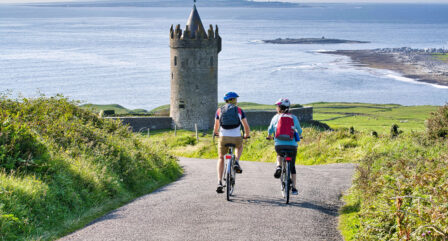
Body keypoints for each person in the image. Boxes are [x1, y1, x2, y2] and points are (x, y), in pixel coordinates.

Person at [214, 92, 250, 194]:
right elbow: (246, 126)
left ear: (226, 100)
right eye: (235, 99)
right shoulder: (239, 110)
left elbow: (216, 126)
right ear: (233, 100)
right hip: (236, 137)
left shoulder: (219, 110)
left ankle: (219, 182)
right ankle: (237, 161)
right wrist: (246, 135)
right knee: (239, 146)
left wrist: (216, 133)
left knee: (221, 157)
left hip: (223, 137)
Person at [267, 98, 302, 195]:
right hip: (292, 145)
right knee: (292, 167)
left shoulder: (275, 117)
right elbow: (299, 130)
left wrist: (269, 136)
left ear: (279, 108)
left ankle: (279, 166)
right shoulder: (293, 117)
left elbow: (270, 129)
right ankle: (294, 188)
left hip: (279, 144)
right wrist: (300, 134)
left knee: (279, 155)